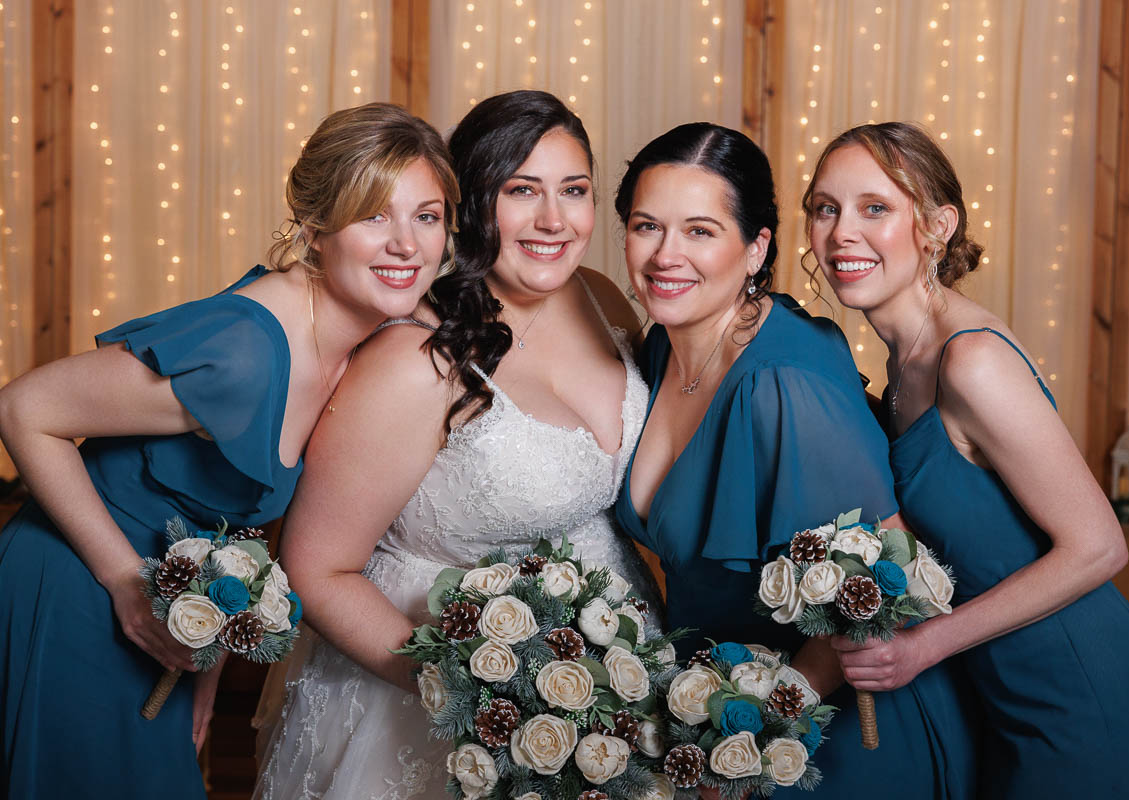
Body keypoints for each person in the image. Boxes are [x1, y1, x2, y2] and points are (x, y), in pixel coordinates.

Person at [0, 102, 457, 799]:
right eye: (374, 216)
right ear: (315, 228)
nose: (406, 244)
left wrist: (211, 660)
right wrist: (124, 582)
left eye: (426, 216)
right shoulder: (243, 352)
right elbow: (23, 407)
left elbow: (230, 514)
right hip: (75, 590)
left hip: (168, 622)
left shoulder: (362, 340)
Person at [253, 90, 660, 800]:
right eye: (521, 191)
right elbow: (316, 568)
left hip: (621, 678)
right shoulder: (419, 360)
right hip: (441, 698)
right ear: (470, 204)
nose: (553, 220)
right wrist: (478, 691)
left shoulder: (599, 296)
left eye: (574, 191)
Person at [808, 122, 1129, 797]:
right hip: (1003, 697)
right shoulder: (902, 365)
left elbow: (1100, 546)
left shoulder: (971, 359)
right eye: (825, 207)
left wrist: (923, 647)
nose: (842, 232)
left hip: (1089, 698)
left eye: (875, 207)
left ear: (936, 226)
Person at [613, 122, 977, 798]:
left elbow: (889, 573)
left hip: (830, 742)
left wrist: (762, 730)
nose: (666, 255)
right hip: (711, 720)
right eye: (646, 226)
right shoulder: (663, 348)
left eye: (700, 231)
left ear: (756, 249)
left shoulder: (784, 381)